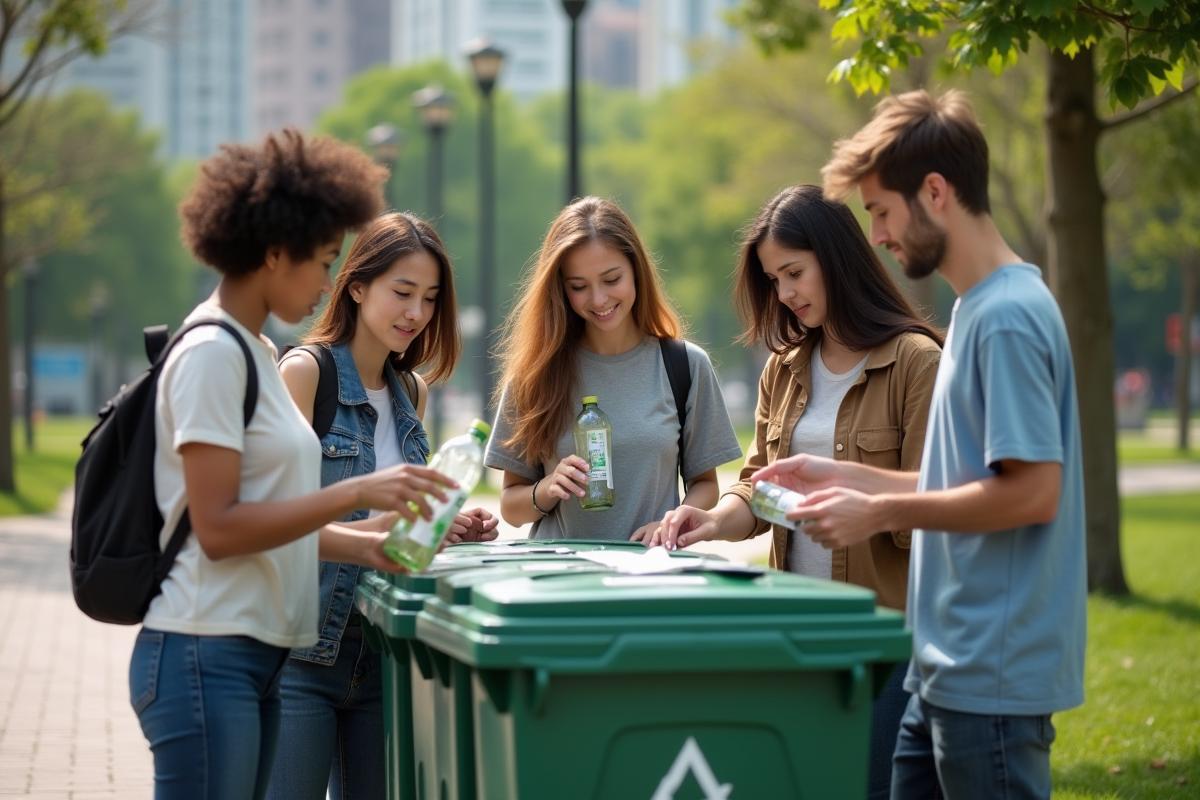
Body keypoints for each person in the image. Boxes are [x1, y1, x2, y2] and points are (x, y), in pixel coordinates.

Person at [749, 90, 1086, 800]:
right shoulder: (974, 312)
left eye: (880, 211)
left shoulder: (1009, 317)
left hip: (989, 675)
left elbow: (1032, 491)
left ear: (935, 192)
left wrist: (878, 515)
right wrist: (848, 479)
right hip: (941, 670)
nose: (874, 236)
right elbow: (958, 479)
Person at [130, 129, 458, 800]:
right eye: (321, 261)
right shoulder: (216, 351)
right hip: (206, 648)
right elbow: (219, 528)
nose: (325, 282)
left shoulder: (248, 348)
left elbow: (271, 523)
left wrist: (382, 542)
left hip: (257, 647)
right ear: (275, 253)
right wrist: (358, 494)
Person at [655, 184, 942, 799]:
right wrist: (710, 520)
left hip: (886, 639)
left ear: (836, 258)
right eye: (773, 279)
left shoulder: (917, 361)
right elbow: (760, 490)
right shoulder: (783, 369)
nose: (785, 293)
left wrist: (863, 508)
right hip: (800, 634)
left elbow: (932, 506)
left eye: (794, 272)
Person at [267, 212, 497, 800]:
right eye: (402, 292)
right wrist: (379, 530)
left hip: (387, 651)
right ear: (357, 285)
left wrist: (444, 525)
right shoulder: (305, 373)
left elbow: (398, 519)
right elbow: (277, 522)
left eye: (429, 297)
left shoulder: (411, 390)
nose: (415, 313)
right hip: (303, 652)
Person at [485, 196, 742, 541]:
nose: (599, 299)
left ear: (636, 270)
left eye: (611, 279)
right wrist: (547, 488)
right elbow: (510, 507)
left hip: (651, 576)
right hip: (558, 581)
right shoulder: (534, 375)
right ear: (560, 289)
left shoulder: (685, 366)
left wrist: (671, 523)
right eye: (579, 287)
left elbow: (705, 484)